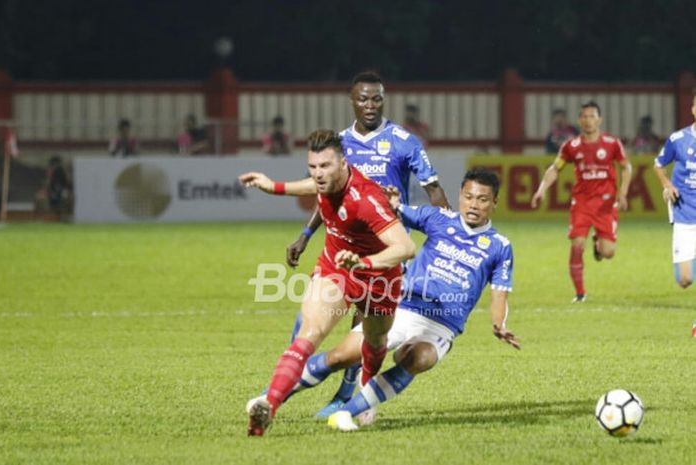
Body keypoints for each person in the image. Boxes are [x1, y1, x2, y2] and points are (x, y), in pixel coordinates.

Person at [246, 168, 521, 430]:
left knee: (419, 358)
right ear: (460, 196)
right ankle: (271, 399)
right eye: (469, 197)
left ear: (494, 202)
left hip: (442, 325)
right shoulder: (439, 219)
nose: (473, 204)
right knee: (341, 356)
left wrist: (499, 324)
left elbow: (499, 294)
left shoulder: (500, 246)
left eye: (482, 199)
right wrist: (393, 204)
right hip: (402, 308)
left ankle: (348, 411)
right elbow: (394, 213)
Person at [285, 71, 450, 416]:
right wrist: (305, 234)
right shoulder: (340, 144)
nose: (370, 105)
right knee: (315, 318)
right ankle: (299, 380)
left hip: (385, 251)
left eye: (377, 98)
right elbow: (325, 193)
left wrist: (449, 234)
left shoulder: (405, 141)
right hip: (343, 246)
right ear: (352, 101)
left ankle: (348, 396)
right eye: (364, 98)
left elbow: (433, 189)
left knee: (363, 329)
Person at [238, 129, 416, 436]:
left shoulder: (367, 199)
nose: (318, 174)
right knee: (309, 333)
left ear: (344, 164)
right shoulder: (325, 182)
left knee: (375, 344)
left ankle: (365, 395)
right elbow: (314, 188)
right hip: (336, 270)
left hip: (379, 280)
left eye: (326, 166)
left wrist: (364, 263)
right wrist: (273, 186)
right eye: (314, 166)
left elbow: (405, 248)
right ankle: (270, 405)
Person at [531, 101, 632, 302]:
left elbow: (626, 167)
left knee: (608, 252)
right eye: (584, 117)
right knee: (577, 244)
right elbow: (555, 168)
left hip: (605, 204)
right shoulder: (571, 146)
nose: (588, 120)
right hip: (582, 203)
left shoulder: (612, 143)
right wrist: (541, 189)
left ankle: (598, 243)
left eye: (592, 116)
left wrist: (623, 192)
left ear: (599, 119)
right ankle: (580, 293)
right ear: (579, 120)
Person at [653, 94, 696, 337]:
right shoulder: (678, 139)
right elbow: (658, 165)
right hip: (684, 213)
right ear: (692, 108)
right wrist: (667, 185)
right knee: (684, 280)